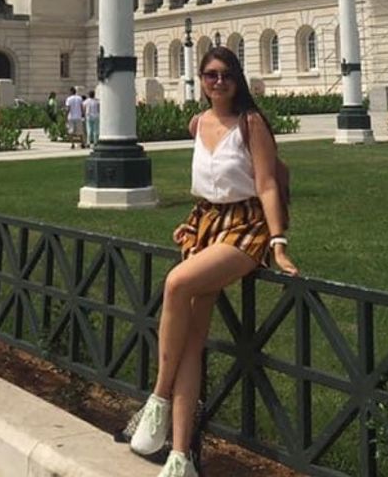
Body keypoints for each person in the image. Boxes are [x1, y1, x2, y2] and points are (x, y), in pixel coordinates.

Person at [126, 45, 298, 477]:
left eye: (226, 75)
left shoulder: (251, 123)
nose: (218, 82)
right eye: (210, 75)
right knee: (191, 342)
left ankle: (157, 399)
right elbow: (210, 182)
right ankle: (180, 456)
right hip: (205, 225)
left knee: (176, 282)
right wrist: (192, 220)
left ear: (237, 80)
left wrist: (278, 242)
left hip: (244, 227)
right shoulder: (197, 122)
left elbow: (267, 184)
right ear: (201, 81)